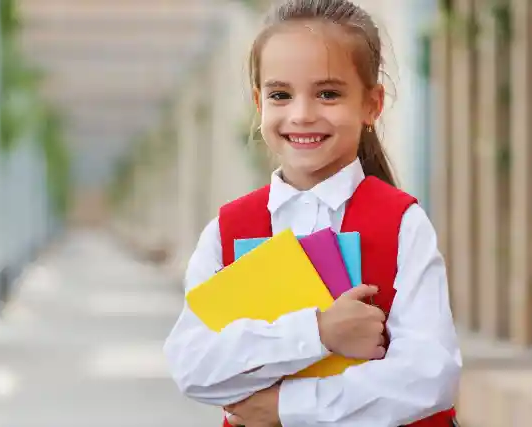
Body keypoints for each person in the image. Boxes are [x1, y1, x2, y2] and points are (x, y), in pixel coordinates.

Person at [163, 0, 462, 425]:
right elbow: (194, 367)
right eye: (280, 95)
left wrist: (284, 407)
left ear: (372, 105)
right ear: (258, 103)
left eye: (328, 94)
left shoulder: (401, 224)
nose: (302, 115)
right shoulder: (227, 230)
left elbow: (430, 377)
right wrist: (318, 332)